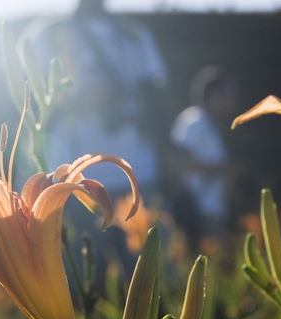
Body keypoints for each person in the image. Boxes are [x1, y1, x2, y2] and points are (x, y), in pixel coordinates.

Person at [18, 0, 168, 200]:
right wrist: (79, 100)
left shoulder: (134, 34)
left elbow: (154, 97)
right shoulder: (48, 34)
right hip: (71, 178)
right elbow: (29, 97)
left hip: (138, 170)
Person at [170, 66, 238, 245]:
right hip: (198, 212)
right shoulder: (194, 121)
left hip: (214, 210)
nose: (232, 98)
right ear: (214, 95)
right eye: (228, 93)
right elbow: (179, 163)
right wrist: (226, 170)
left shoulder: (213, 125)